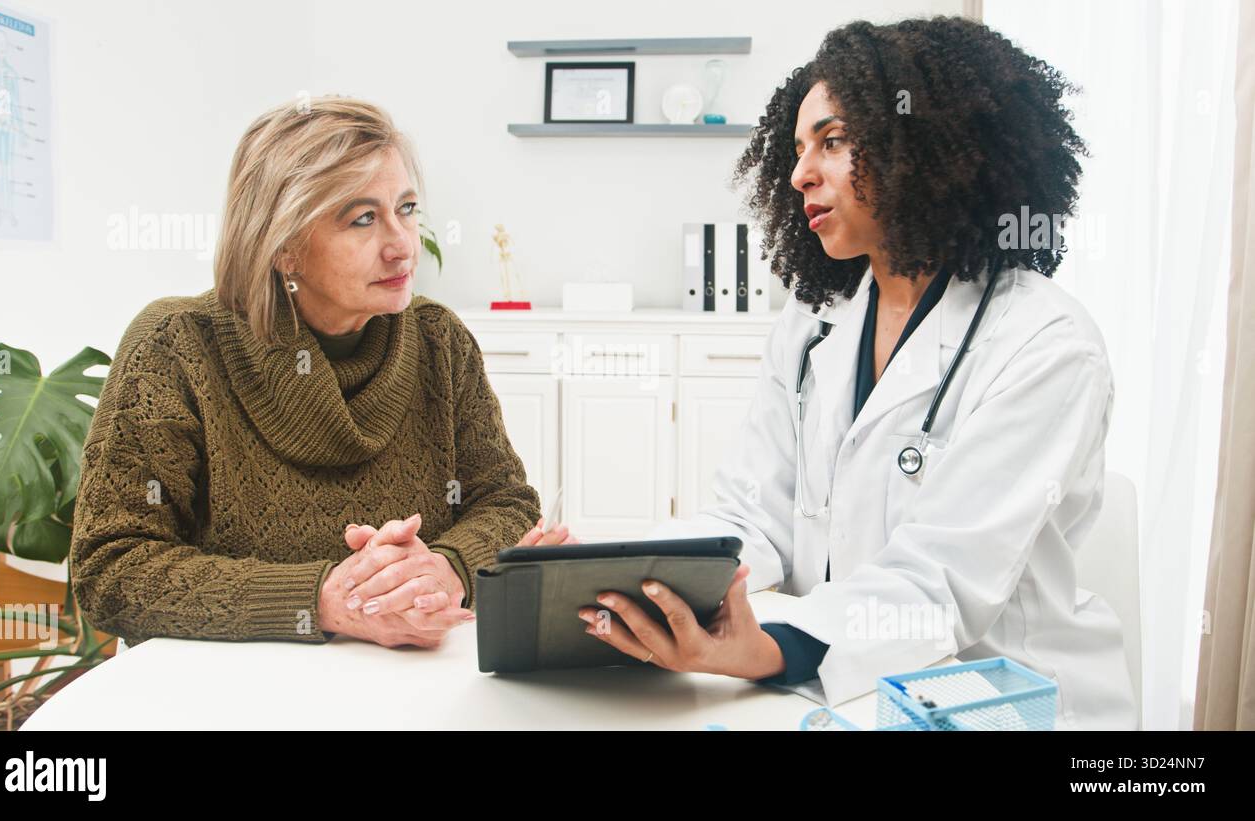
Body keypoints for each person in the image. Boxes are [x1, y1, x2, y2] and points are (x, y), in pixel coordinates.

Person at [577, 16, 1138, 730]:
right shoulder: (816, 318)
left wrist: (773, 646)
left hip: (1001, 701)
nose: (799, 173)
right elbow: (754, 513)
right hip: (838, 691)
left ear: (922, 144)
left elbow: (938, 579)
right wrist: (633, 581)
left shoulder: (1047, 345)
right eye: (797, 147)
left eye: (833, 141)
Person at [71, 96, 571, 651]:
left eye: (405, 209)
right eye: (363, 219)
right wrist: (325, 600)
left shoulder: (439, 341)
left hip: (412, 681)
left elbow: (505, 500)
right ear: (283, 248)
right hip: (229, 689)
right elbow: (110, 569)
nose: (402, 245)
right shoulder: (176, 345)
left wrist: (444, 570)